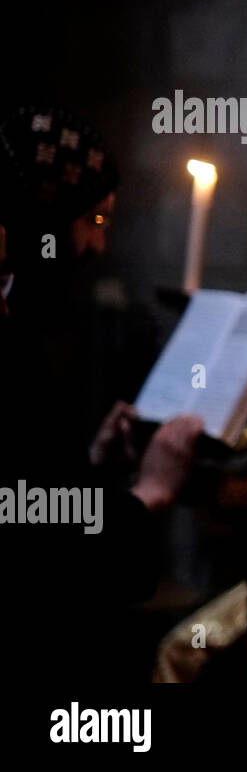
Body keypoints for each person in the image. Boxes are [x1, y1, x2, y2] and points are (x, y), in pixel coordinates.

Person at [0, 104, 202, 682]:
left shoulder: (26, 320)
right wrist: (150, 494)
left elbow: (30, 492)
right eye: (94, 220)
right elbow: (44, 563)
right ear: (48, 213)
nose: (98, 245)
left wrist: (88, 464)